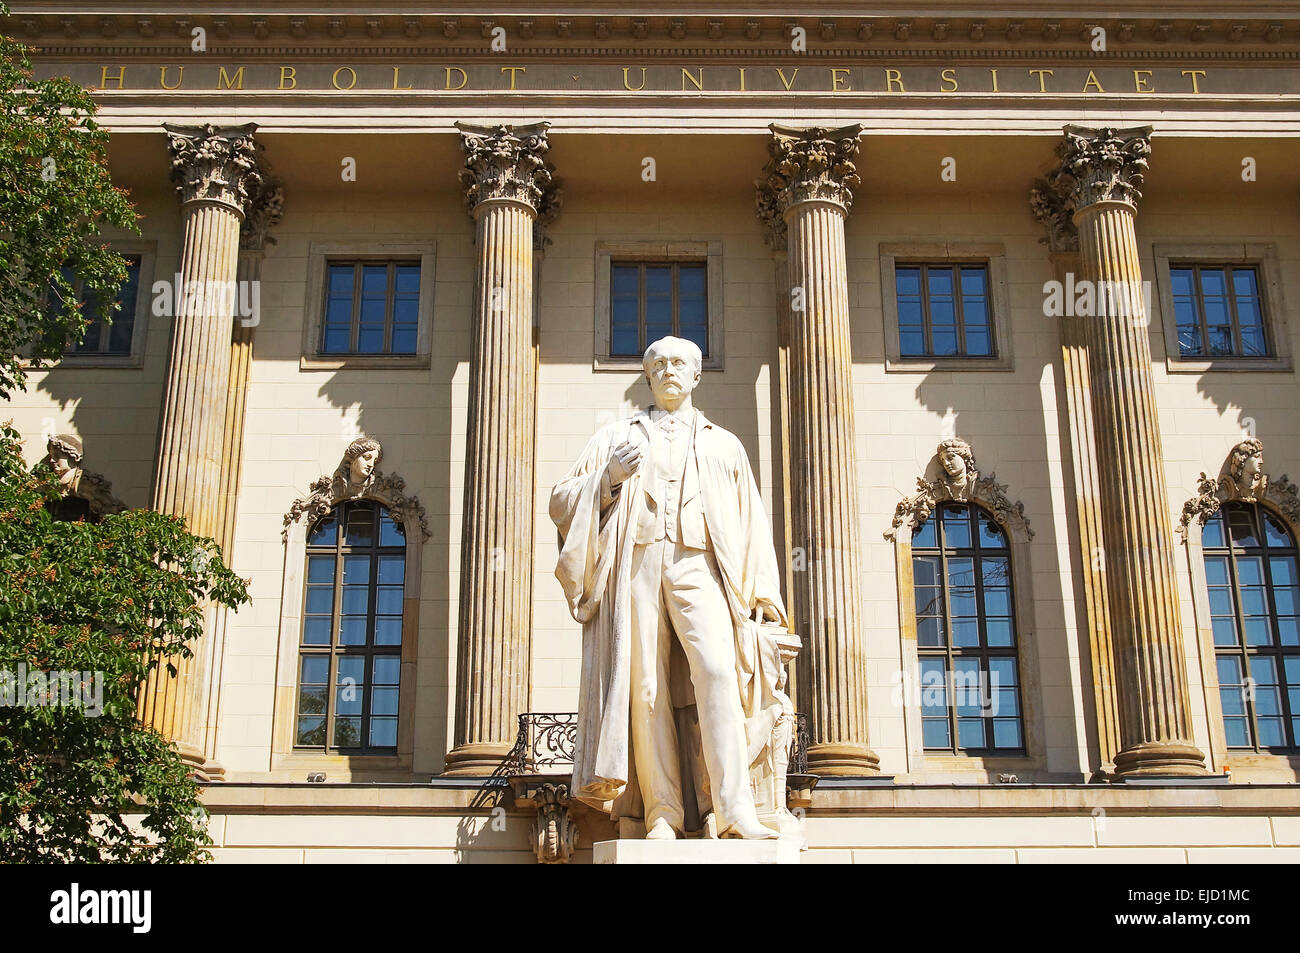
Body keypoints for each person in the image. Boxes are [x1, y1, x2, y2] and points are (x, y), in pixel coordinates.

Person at [550, 335, 788, 840]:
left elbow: (753, 524)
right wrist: (609, 478)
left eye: (678, 363)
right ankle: (663, 811)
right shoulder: (617, 437)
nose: (668, 371)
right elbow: (561, 500)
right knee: (645, 687)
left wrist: (765, 595)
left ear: (697, 375)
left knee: (720, 673)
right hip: (637, 561)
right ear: (647, 375)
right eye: (657, 364)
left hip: (702, 563)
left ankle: (733, 809)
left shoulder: (725, 444)